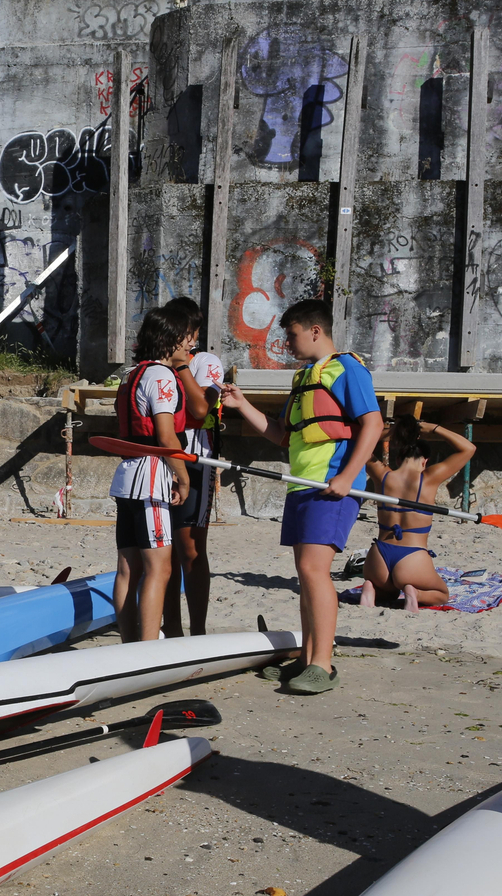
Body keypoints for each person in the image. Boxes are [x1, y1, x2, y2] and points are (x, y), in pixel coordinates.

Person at [220, 298, 382, 694]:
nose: (287, 343)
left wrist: (347, 476)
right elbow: (282, 435)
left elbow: (373, 424)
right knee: (306, 574)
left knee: (314, 571)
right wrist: (242, 405)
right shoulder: (304, 377)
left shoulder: (348, 369)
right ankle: (308, 658)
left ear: (315, 331)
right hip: (302, 485)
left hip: (332, 486)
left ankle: (323, 665)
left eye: (291, 335)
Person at [109, 306, 190, 643]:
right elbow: (166, 436)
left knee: (128, 568)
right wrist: (183, 477)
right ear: (169, 341)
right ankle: (146, 650)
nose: (190, 346)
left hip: (126, 476)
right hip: (151, 477)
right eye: (186, 339)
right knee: (160, 567)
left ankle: (129, 645)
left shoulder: (131, 373)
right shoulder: (161, 376)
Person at [359, 416, 475, 611]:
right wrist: (434, 428)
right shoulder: (429, 478)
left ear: (397, 459)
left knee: (389, 593)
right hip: (411, 558)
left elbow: (361, 442)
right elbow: (468, 448)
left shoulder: (382, 475)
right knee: (442, 594)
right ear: (425, 461)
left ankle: (371, 587)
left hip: (378, 558)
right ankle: (415, 592)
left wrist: (396, 432)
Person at [161, 296, 225, 637]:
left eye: (188, 333)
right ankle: (171, 628)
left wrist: (182, 365)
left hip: (197, 459)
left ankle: (197, 630)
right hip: (160, 461)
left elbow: (203, 409)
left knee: (190, 548)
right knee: (164, 550)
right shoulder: (155, 364)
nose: (184, 339)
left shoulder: (206, 361)